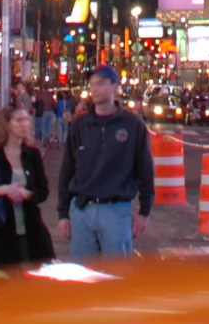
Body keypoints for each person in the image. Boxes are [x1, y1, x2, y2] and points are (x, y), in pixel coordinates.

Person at [57, 66, 152, 258]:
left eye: (100, 83)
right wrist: (63, 214)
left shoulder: (132, 125)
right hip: (82, 210)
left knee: (118, 276)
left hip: (116, 210)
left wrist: (144, 211)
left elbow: (145, 169)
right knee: (83, 276)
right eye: (92, 84)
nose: (95, 89)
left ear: (114, 86)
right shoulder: (80, 125)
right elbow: (67, 171)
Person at [0, 105, 53, 271]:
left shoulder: (33, 155)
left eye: (26, 119)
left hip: (31, 230)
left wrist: (28, 194)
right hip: (0, 233)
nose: (25, 124)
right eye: (19, 120)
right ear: (6, 125)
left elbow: (43, 190)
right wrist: (2, 190)